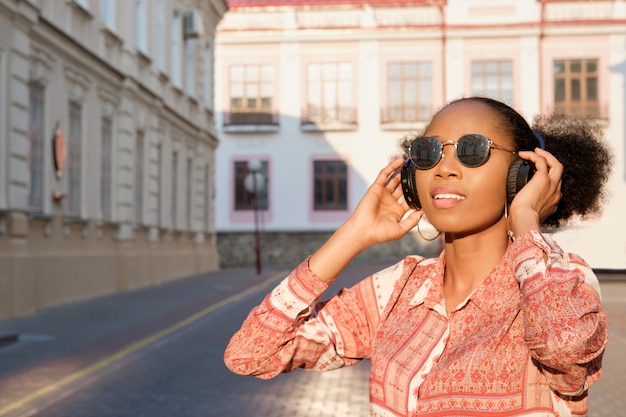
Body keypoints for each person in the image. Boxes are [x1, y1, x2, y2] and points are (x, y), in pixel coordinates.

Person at [224, 96, 612, 416]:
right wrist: (353, 234)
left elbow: (565, 349)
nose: (444, 168)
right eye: (427, 153)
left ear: (523, 175)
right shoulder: (398, 290)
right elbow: (251, 355)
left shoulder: (560, 281)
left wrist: (526, 222)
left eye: (472, 150)